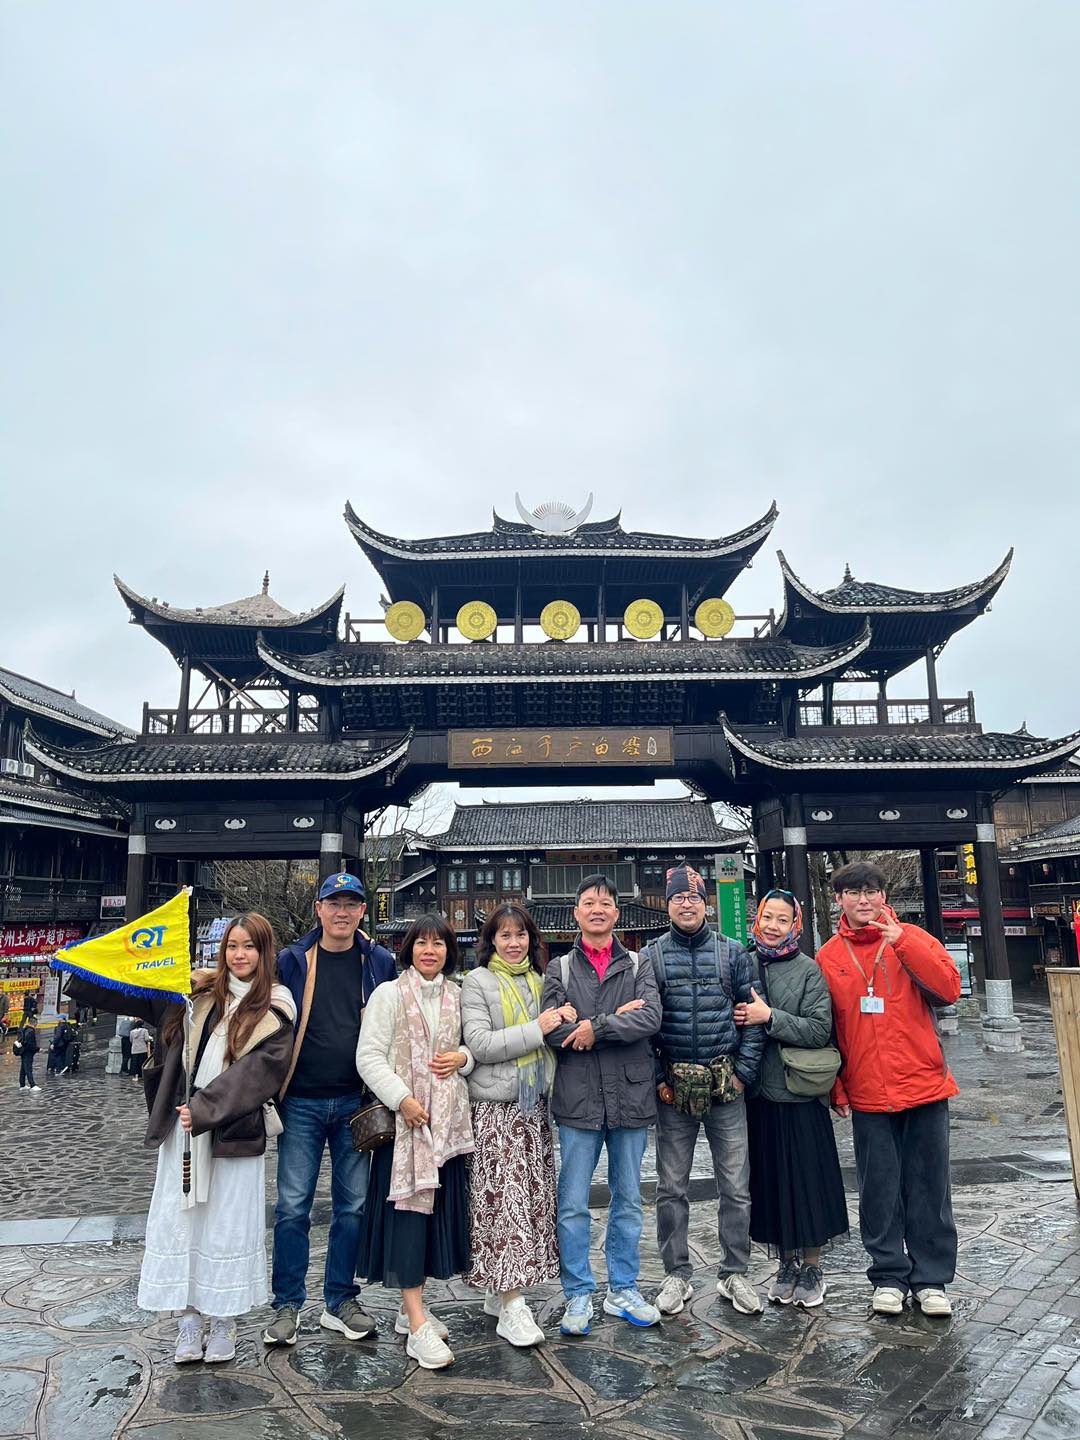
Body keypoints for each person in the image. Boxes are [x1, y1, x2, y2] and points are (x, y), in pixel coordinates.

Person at [64, 912, 295, 1363]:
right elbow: (132, 991)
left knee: (226, 1225)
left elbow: (260, 1073)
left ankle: (223, 1321)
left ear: (264, 952)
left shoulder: (277, 1007)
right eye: (233, 946)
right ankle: (188, 1322)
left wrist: (205, 1109)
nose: (240, 955)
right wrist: (83, 966)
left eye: (249, 946)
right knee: (182, 1223)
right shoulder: (194, 994)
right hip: (184, 1131)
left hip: (231, 1133)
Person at [816, 860, 961, 1319]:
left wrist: (905, 943)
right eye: (853, 892)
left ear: (884, 896)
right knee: (878, 1188)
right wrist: (837, 1086)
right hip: (868, 1089)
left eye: (871, 891)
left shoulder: (914, 938)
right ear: (839, 899)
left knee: (930, 1185)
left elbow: (949, 990)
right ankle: (888, 1276)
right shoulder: (829, 956)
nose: (863, 900)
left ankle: (931, 1278)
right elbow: (830, 1029)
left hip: (924, 1083)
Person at [264, 871, 396, 1348]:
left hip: (355, 1104)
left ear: (363, 911)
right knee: (292, 1206)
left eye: (351, 904)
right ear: (318, 908)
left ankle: (340, 1299)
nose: (342, 912)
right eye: (333, 903)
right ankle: (287, 1304)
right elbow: (262, 1010)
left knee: (352, 1206)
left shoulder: (378, 962)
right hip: (300, 1100)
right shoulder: (292, 960)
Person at [541, 874, 663, 1336]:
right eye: (589, 903)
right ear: (576, 913)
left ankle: (623, 1287)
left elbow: (651, 1017)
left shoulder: (637, 963)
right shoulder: (559, 969)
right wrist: (613, 1020)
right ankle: (578, 1292)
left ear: (617, 912)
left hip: (630, 1095)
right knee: (572, 1201)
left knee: (628, 1198)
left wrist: (595, 1027)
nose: (597, 909)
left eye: (606, 903)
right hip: (579, 1098)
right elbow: (552, 1030)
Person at [644, 864, 765, 1319]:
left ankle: (735, 1270)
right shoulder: (652, 956)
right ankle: (676, 1272)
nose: (687, 904)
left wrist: (743, 1074)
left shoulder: (733, 954)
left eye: (694, 897)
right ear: (668, 905)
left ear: (706, 903)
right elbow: (645, 1027)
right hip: (674, 1090)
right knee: (671, 1187)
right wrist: (660, 1079)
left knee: (735, 1185)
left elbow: (754, 1018)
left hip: (725, 1086)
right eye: (678, 897)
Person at [357, 914, 474, 1370]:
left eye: (438, 943)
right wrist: (401, 1099)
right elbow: (368, 1056)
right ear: (408, 949)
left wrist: (463, 1058)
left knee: (432, 1220)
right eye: (422, 943)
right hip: (405, 1128)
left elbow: (472, 1046)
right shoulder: (388, 994)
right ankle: (418, 1324)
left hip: (444, 1127)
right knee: (408, 1219)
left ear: (449, 951)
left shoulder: (457, 996)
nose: (430, 951)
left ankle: (413, 1313)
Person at [733, 889, 848, 1309]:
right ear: (757, 918)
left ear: (795, 925)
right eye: (768, 917)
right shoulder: (743, 963)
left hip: (800, 1092)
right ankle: (785, 1263)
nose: (773, 926)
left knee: (808, 1181)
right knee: (773, 1182)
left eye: (783, 919)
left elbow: (819, 1030)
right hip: (759, 1093)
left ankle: (812, 1266)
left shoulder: (809, 970)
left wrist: (770, 1017)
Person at [461, 902, 565, 1348]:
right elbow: (480, 1043)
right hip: (495, 1111)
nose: (514, 942)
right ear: (491, 941)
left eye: (521, 934)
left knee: (527, 1203)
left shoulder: (540, 981)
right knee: (504, 1205)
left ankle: (500, 1288)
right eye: (504, 935)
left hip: (532, 1109)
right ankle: (512, 1303)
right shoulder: (477, 982)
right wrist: (539, 1028)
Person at [16, 1014, 40, 1091]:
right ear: (35, 1023)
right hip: (28, 1052)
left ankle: (22, 1085)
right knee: (28, 1069)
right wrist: (38, 1049)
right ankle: (32, 1085)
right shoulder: (31, 1031)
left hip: (23, 1051)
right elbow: (30, 1044)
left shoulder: (24, 1029)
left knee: (23, 1069)